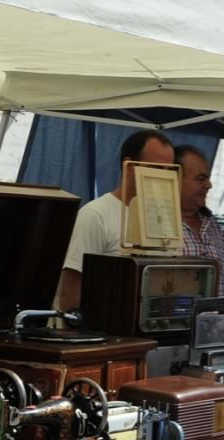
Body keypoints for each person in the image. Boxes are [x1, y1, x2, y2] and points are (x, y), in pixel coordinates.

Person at [57, 129, 174, 312]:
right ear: (129, 166)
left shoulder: (168, 223)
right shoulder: (95, 215)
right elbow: (70, 295)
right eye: (157, 168)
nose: (164, 177)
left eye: (170, 170)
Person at [175, 145, 224, 296]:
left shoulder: (213, 227)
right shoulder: (156, 228)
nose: (208, 185)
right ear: (175, 180)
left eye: (208, 178)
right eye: (201, 179)